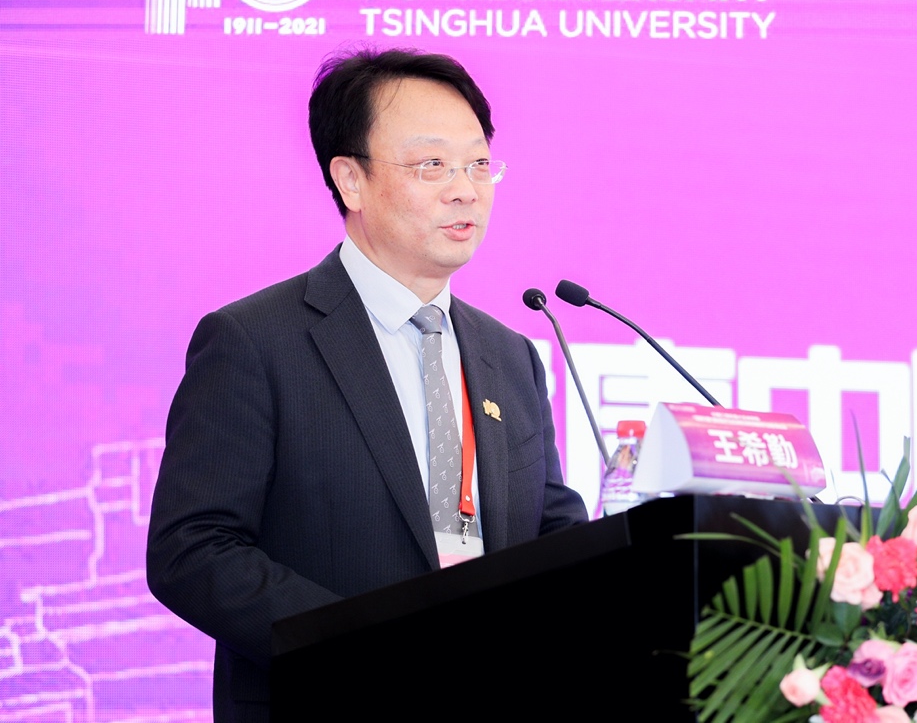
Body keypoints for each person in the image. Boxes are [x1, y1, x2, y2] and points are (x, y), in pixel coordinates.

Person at [146, 49, 589, 722]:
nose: (466, 190)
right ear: (351, 179)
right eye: (432, 165)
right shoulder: (254, 342)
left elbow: (549, 530)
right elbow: (194, 549)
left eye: (478, 164)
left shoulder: (511, 355)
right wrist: (368, 647)